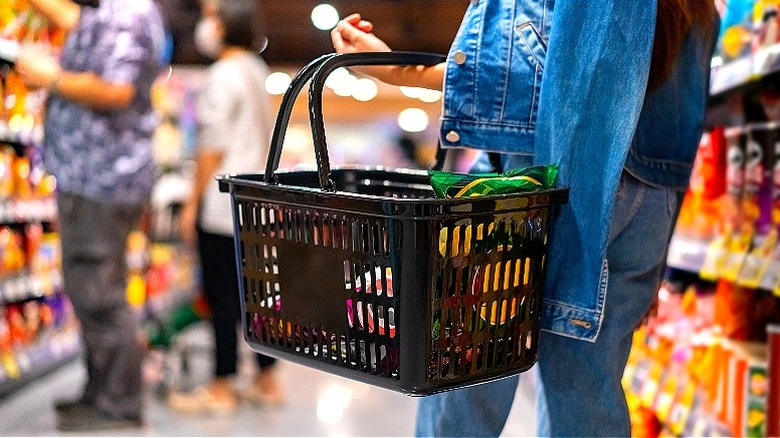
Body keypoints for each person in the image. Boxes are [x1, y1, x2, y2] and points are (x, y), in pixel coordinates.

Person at [332, 1, 718, 436]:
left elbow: (532, 73)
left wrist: (396, 72)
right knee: (585, 383)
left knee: (470, 363)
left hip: (539, 176)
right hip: (648, 192)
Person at [13, 0, 165, 432]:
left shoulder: (128, 13)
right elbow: (69, 17)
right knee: (90, 291)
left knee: (100, 293)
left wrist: (51, 78)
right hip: (93, 176)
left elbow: (117, 89)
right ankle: (100, 392)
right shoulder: (107, 12)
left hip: (103, 178)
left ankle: (118, 402)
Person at [172, 0, 282, 414]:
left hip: (222, 204)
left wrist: (191, 204)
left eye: (214, 16)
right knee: (255, 293)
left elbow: (211, 148)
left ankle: (220, 384)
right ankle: (267, 378)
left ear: (228, 23)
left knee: (221, 298)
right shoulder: (258, 70)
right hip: (256, 205)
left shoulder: (222, 74)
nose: (207, 24)